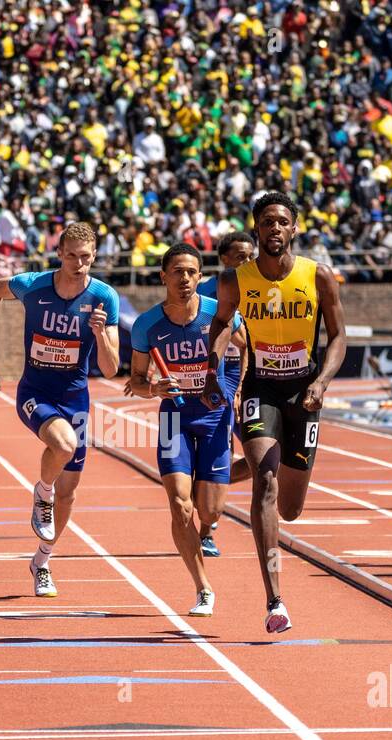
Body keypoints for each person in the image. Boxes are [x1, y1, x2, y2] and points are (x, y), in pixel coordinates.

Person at [201, 191, 348, 633]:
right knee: (265, 478)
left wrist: (321, 382)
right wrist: (213, 366)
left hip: (303, 392)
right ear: (257, 229)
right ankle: (275, 601)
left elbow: (339, 337)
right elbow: (222, 322)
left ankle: (232, 471)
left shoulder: (318, 276)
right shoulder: (235, 280)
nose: (275, 229)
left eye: (282, 222)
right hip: (260, 388)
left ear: (294, 228)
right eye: (267, 222)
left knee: (291, 508)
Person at [0, 221, 120, 599]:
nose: (78, 264)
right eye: (71, 255)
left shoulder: (105, 297)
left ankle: (42, 562)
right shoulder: (33, 285)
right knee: (64, 446)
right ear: (59, 254)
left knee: (69, 494)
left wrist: (101, 333)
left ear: (95, 256)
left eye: (86, 257)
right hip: (35, 391)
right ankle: (42, 491)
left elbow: (110, 369)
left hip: (76, 398)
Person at [131, 242, 242, 616]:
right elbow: (135, 379)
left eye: (192, 272)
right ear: (164, 276)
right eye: (177, 271)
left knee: (209, 512)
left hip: (214, 416)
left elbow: (247, 349)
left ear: (200, 276)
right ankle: (203, 588)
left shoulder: (218, 314)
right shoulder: (147, 325)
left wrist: (235, 388)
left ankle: (205, 512)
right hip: (173, 417)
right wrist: (152, 388)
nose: (185, 279)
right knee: (180, 504)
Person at [193, 230, 254, 557]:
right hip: (208, 380)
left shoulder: (258, 290)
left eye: (250, 256)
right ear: (225, 260)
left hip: (243, 380)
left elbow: (248, 346)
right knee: (216, 452)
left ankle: (210, 489)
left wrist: (242, 387)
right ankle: (206, 531)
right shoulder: (202, 292)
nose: (247, 262)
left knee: (264, 457)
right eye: (240, 256)